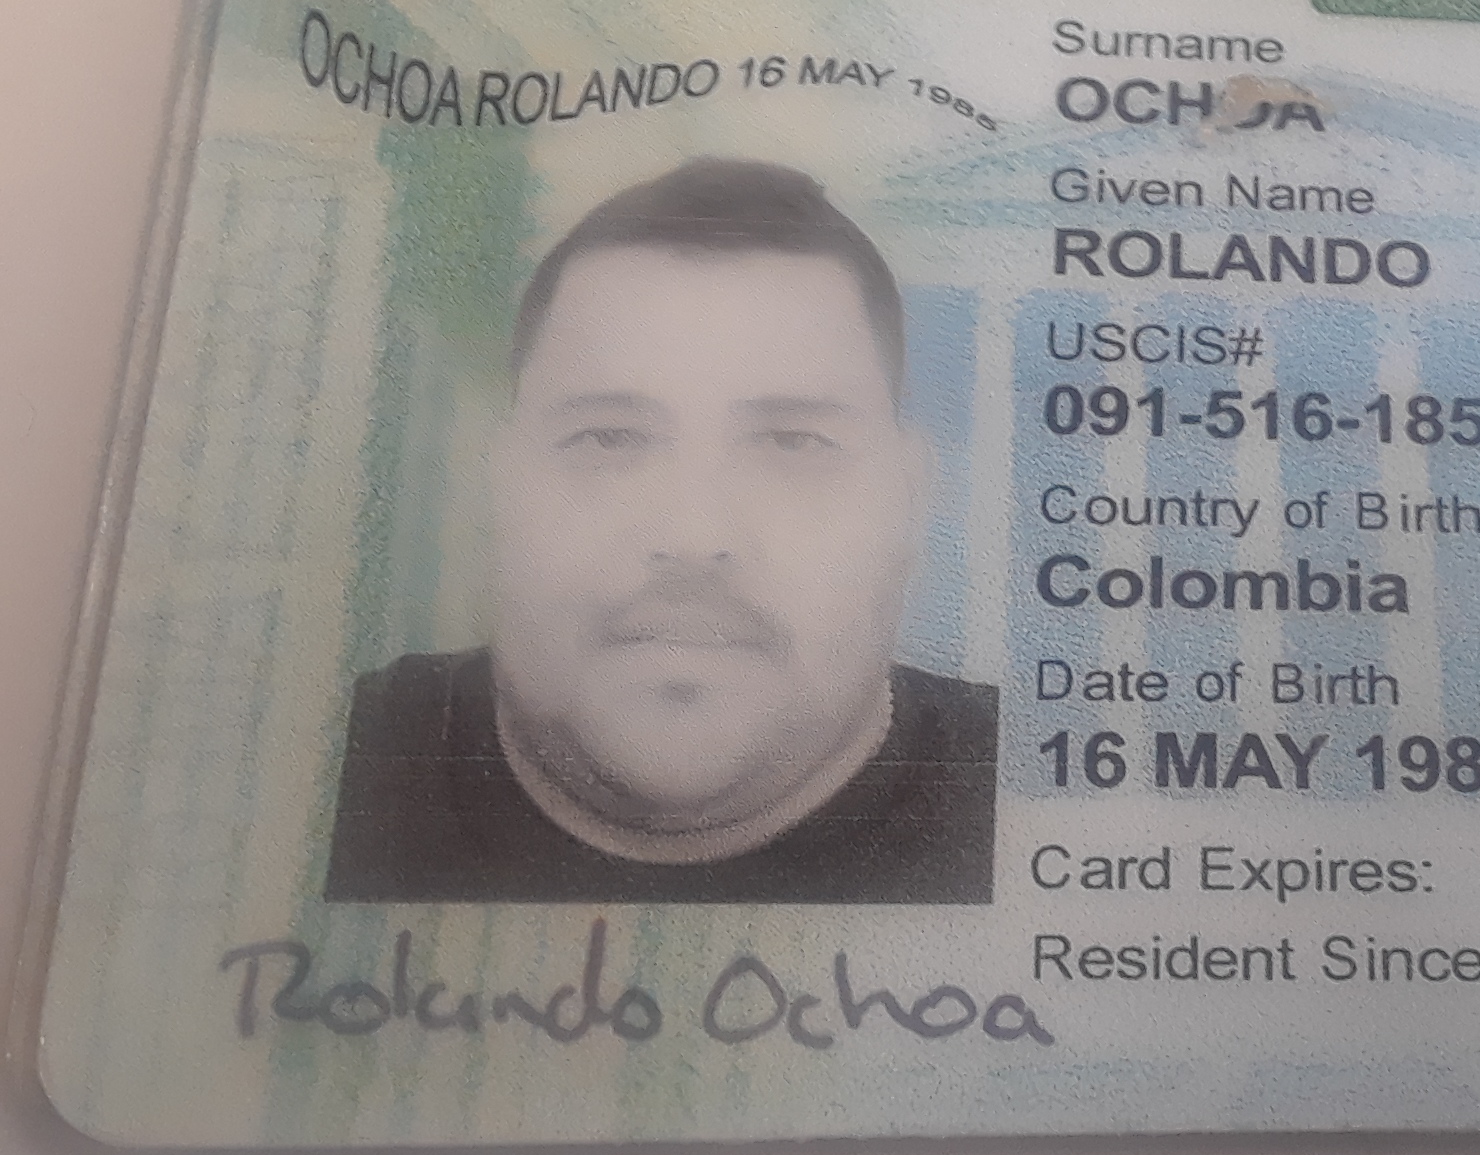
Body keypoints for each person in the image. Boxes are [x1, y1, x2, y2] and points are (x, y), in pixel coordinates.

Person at [325, 157, 996, 903]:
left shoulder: (1019, 789)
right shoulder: (320, 759)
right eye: (608, 437)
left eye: (792, 442)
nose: (692, 537)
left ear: (908, 501)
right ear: (498, 481)